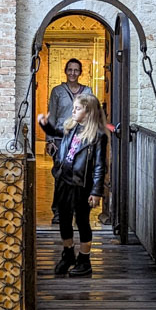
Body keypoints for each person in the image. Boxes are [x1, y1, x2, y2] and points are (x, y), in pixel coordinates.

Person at [38, 93, 108, 278]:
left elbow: (100, 166)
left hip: (81, 184)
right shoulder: (72, 127)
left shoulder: (98, 136)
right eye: (74, 108)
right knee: (64, 218)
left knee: (82, 221)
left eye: (77, 108)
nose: (73, 111)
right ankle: (68, 253)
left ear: (88, 112)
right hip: (64, 180)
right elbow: (56, 133)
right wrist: (45, 125)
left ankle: (84, 260)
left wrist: (96, 191)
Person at [46, 58, 94, 224]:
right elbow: (52, 115)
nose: (73, 73)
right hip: (61, 140)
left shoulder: (87, 91)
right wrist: (49, 140)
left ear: (80, 72)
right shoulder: (57, 91)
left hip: (80, 140)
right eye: (70, 69)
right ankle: (59, 212)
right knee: (60, 177)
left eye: (76, 70)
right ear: (65, 71)